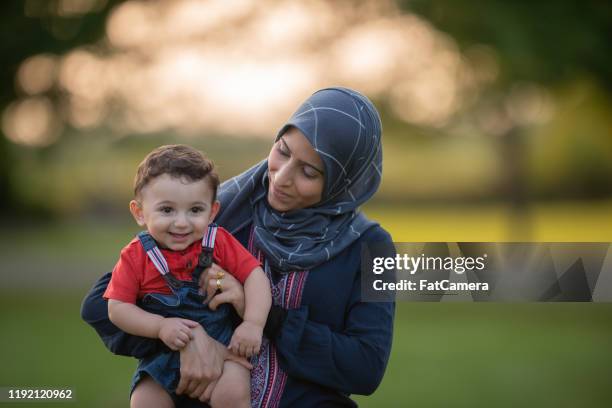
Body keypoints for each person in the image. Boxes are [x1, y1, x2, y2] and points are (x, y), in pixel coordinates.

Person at [82, 87, 395, 407]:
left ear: (342, 181)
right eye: (283, 151)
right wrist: (190, 342)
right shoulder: (218, 213)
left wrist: (264, 315)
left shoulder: (372, 247)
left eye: (309, 172)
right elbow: (98, 306)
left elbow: (365, 367)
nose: (282, 178)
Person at [104, 145, 271, 408]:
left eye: (195, 210)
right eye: (167, 210)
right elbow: (117, 308)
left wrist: (253, 323)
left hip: (223, 349)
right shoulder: (136, 256)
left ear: (212, 211)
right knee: (144, 400)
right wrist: (159, 327)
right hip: (164, 355)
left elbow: (255, 277)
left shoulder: (217, 242)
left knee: (233, 393)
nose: (181, 223)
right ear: (139, 212)